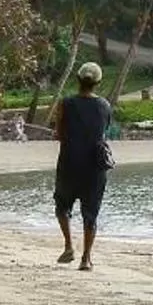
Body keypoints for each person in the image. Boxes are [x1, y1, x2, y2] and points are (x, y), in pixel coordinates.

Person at [51, 61, 114, 271]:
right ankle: (86, 259)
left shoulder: (65, 103)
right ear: (98, 82)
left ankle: (68, 245)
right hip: (95, 166)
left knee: (62, 206)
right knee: (91, 214)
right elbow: (103, 131)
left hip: (69, 163)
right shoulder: (105, 106)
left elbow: (59, 134)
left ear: (77, 80)